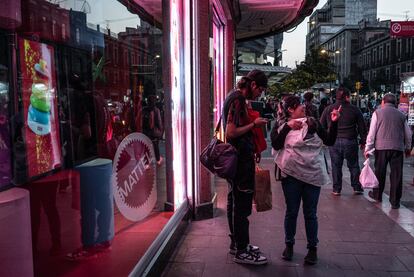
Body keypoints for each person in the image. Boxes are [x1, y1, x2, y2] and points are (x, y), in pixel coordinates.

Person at [271, 95, 340, 265]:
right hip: (291, 176)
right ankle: (289, 245)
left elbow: (329, 141)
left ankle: (312, 249)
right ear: (290, 109)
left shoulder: (313, 123)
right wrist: (287, 127)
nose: (303, 106)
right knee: (291, 212)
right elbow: (276, 144)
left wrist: (334, 122)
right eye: (299, 105)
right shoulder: (280, 125)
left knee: (310, 214)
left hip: (312, 174)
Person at [223, 69, 268, 265]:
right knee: (242, 206)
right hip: (240, 162)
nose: (260, 94)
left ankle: (238, 244)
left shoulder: (233, 96)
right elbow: (231, 132)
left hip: (237, 161)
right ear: (253, 85)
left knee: (235, 201)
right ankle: (241, 250)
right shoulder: (238, 99)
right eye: (260, 90)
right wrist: (254, 124)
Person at [364, 93, 412, 209]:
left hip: (381, 148)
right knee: (396, 174)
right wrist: (408, 148)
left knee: (380, 172)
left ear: (383, 102)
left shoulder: (377, 113)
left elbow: (372, 133)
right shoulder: (401, 115)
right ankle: (395, 201)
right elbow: (408, 134)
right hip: (397, 148)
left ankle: (377, 195)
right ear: (395, 103)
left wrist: (368, 148)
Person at [320, 86, 367, 195]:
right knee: (354, 165)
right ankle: (356, 187)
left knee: (336, 166)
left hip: (334, 141)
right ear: (347, 97)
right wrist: (363, 141)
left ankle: (336, 189)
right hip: (350, 140)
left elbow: (321, 125)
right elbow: (362, 127)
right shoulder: (355, 109)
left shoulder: (328, 109)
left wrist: (324, 139)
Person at [142, 94, 164, 165]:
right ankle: (158, 160)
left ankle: (146, 163)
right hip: (154, 133)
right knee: (156, 146)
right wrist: (161, 131)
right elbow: (159, 122)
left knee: (146, 148)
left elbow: (142, 122)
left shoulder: (144, 110)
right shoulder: (156, 110)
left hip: (146, 132)